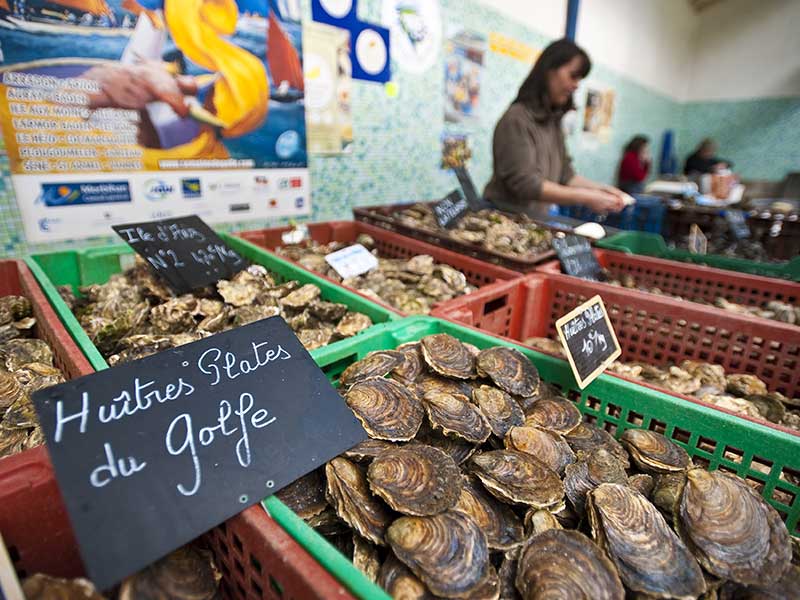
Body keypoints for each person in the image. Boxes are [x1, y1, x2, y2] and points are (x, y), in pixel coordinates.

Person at [484, 38, 627, 218]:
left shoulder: (552, 122)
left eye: (580, 79)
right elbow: (527, 184)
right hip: (504, 221)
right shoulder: (516, 119)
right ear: (549, 71)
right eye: (573, 76)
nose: (576, 85)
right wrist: (587, 198)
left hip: (535, 220)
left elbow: (566, 175)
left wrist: (601, 190)